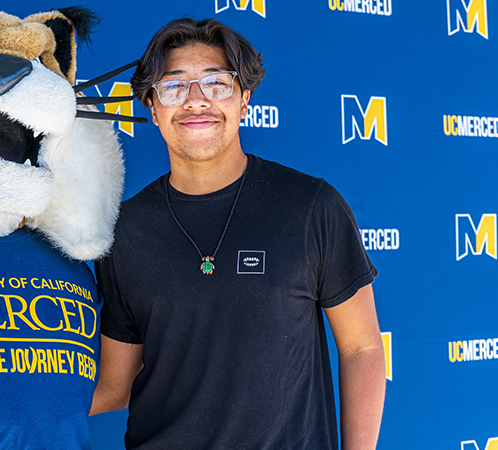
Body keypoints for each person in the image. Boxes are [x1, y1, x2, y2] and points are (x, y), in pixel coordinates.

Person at [90, 18, 385, 449]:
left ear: (244, 99)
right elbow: (114, 386)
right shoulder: (124, 230)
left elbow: (361, 349)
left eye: (216, 83)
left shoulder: (311, 206)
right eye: (173, 87)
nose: (196, 101)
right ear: (153, 108)